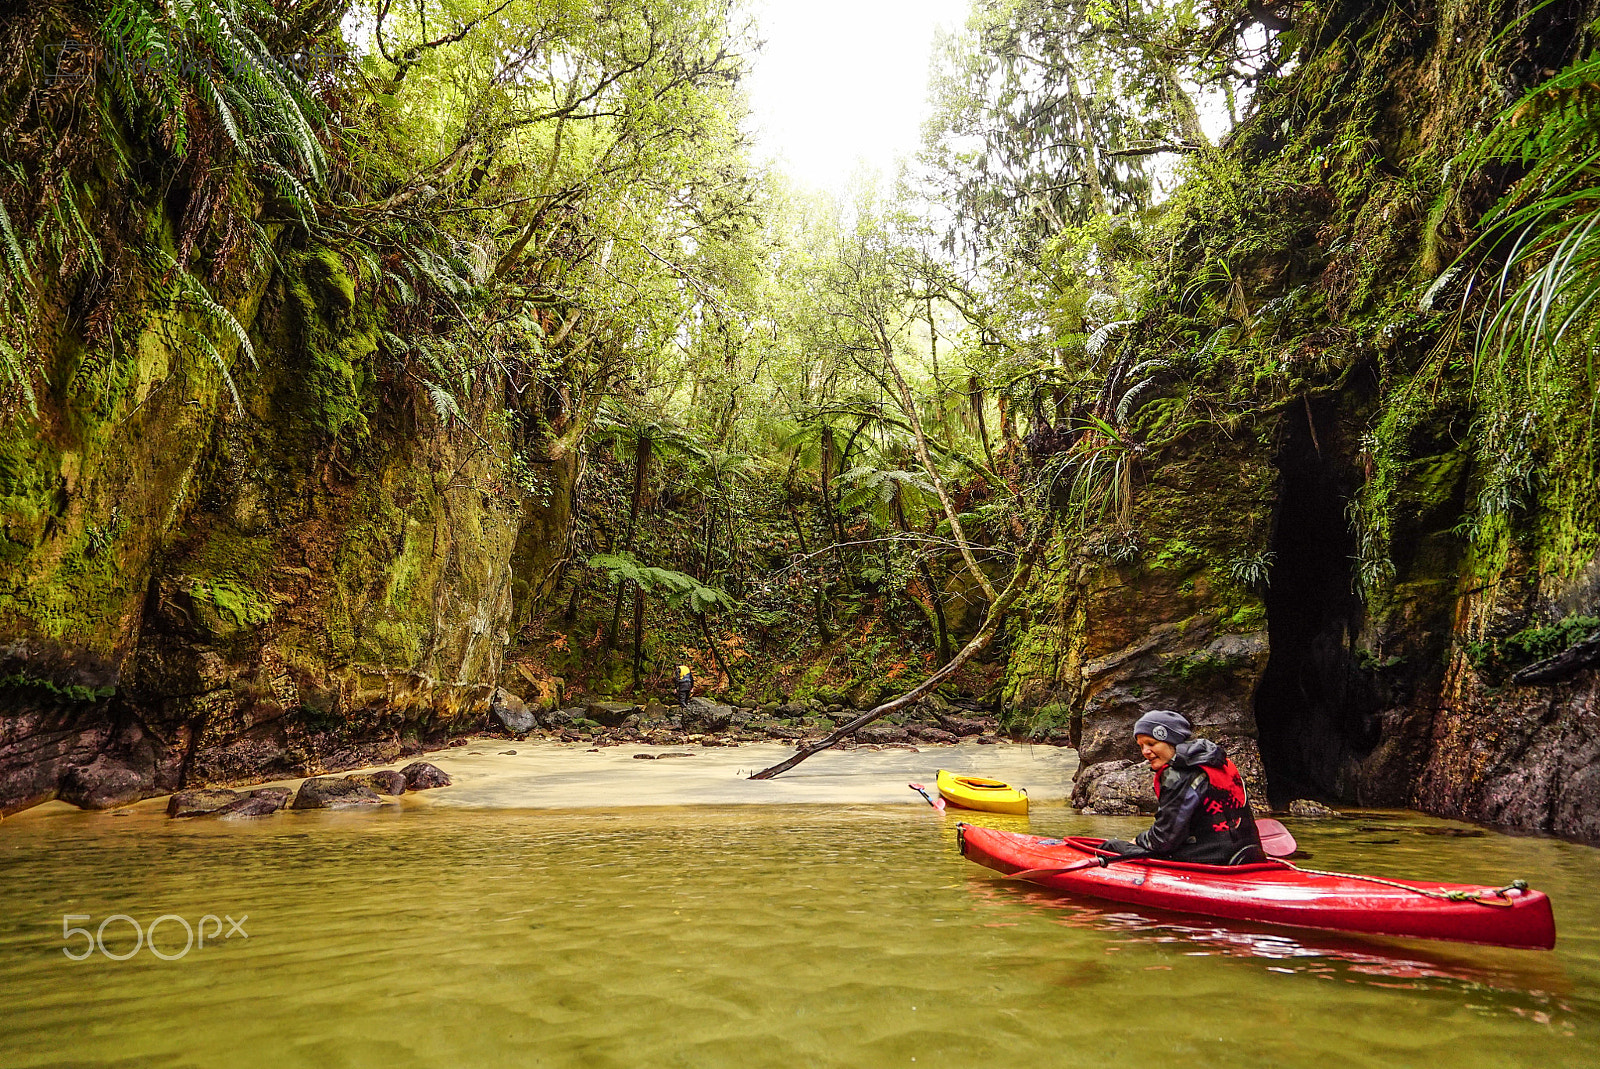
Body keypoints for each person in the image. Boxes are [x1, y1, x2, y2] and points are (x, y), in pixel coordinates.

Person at [1099, 710, 1264, 865]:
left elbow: (1164, 840)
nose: (1145, 751)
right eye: (1141, 746)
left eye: (1151, 743)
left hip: (1213, 858)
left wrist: (1139, 840)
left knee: (1110, 847)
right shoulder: (1218, 763)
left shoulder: (1178, 775)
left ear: (1172, 742)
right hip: (1248, 852)